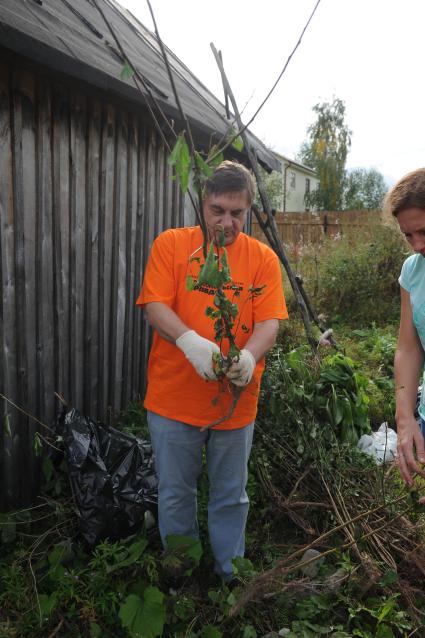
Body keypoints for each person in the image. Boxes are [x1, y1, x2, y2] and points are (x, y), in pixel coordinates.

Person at [136, 160, 288, 581]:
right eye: (217, 210)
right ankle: (180, 570)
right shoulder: (172, 246)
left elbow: (268, 322)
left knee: (230, 495)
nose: (226, 222)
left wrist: (250, 357)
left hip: (235, 405)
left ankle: (228, 576)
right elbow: (154, 306)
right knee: (175, 493)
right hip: (173, 400)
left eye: (237, 213)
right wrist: (188, 341)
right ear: (202, 206)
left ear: (249, 211)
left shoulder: (262, 259)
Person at [387, 168, 425, 490]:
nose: (417, 245)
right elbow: (409, 347)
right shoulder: (412, 272)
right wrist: (405, 418)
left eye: (424, 231)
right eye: (408, 235)